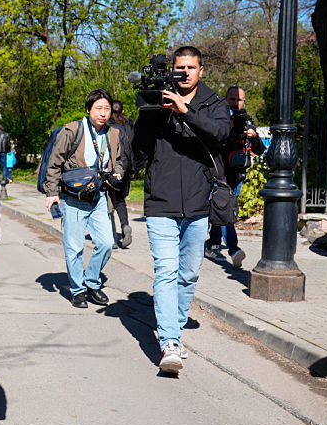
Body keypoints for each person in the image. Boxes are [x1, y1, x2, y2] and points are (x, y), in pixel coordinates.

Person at [133, 45, 229, 375]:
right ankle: (170, 341)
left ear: (201, 70)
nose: (185, 72)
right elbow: (140, 147)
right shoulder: (159, 98)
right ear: (173, 69)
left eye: (191, 67)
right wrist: (153, 110)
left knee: (188, 274)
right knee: (166, 271)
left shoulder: (213, 103)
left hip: (200, 204)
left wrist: (185, 110)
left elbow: (220, 135)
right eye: (180, 67)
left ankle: (174, 330)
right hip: (161, 202)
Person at [43, 88, 126, 308]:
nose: (103, 113)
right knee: (74, 247)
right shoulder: (72, 131)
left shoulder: (113, 134)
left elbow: (118, 161)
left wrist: (117, 172)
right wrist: (52, 193)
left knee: (107, 243)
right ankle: (78, 290)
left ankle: (91, 281)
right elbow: (54, 164)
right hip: (73, 197)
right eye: (98, 108)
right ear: (88, 109)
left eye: (107, 109)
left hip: (99, 196)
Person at [204, 86, 265, 269]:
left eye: (239, 100)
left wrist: (253, 136)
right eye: (232, 99)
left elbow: (259, 150)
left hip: (237, 175)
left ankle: (213, 244)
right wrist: (228, 129)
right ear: (225, 99)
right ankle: (233, 249)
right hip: (220, 174)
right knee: (225, 211)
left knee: (222, 210)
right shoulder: (219, 117)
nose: (235, 103)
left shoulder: (247, 121)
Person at [108, 100, 135, 248]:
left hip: (113, 168)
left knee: (109, 202)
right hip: (126, 168)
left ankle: (112, 238)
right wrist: (133, 170)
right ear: (123, 111)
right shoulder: (130, 125)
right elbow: (135, 147)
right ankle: (125, 226)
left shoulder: (108, 126)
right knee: (121, 200)